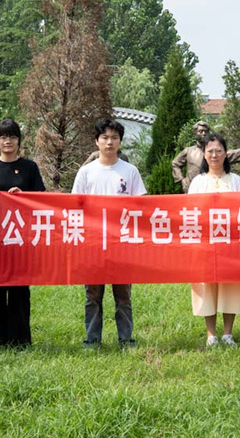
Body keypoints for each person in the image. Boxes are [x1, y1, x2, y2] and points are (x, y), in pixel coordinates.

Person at [72, 119, 146, 348]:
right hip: (93, 244)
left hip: (122, 244)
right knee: (93, 296)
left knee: (123, 296)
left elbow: (141, 206)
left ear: (120, 141)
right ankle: (92, 340)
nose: (109, 142)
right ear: (97, 141)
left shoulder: (130, 171)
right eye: (104, 137)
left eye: (114, 138)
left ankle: (126, 339)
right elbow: (75, 206)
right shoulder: (86, 172)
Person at [0, 119, 46, 348]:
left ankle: (19, 339)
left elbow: (42, 200)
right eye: (3, 137)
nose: (8, 141)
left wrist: (24, 196)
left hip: (21, 238)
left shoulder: (30, 167)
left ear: (19, 140)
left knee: (19, 290)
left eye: (13, 136)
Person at [187, 133, 240, 347]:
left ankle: (227, 333)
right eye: (210, 151)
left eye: (218, 151)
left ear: (226, 153)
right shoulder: (198, 182)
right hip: (205, 243)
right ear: (204, 154)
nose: (214, 155)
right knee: (207, 286)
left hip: (231, 243)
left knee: (231, 286)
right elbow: (191, 213)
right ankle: (211, 334)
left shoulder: (237, 181)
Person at [171, 121, 240, 192]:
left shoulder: (236, 181)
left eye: (206, 131)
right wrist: (181, 180)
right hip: (193, 189)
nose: (214, 155)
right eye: (200, 131)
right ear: (195, 134)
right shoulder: (188, 151)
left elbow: (233, 154)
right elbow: (175, 163)